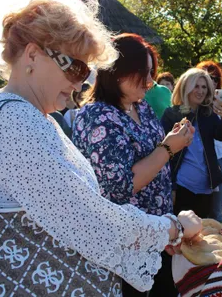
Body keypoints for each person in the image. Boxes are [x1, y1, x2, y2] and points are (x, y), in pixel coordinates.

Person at [0, 0, 201, 295]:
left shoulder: (29, 116)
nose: (80, 84)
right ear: (32, 55)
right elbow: (95, 222)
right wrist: (175, 227)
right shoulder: (15, 120)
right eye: (76, 68)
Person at [72, 33, 193, 296]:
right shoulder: (97, 115)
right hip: (124, 243)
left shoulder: (141, 107)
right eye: (144, 74)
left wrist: (170, 141)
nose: (150, 82)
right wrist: (169, 147)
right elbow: (119, 188)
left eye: (152, 73)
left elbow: (152, 155)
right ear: (117, 72)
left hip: (156, 233)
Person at [161, 68, 222, 218]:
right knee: (180, 233)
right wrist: (172, 186)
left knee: (200, 233)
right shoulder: (171, 114)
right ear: (186, 87)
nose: (200, 91)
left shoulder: (208, 114)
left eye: (204, 87)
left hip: (205, 188)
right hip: (181, 186)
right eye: (196, 86)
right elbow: (163, 154)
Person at [196, 60, 222, 222]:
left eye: (214, 78)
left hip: (220, 160)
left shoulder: (221, 103)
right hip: (198, 161)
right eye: (205, 78)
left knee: (216, 212)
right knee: (198, 212)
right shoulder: (190, 105)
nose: (210, 81)